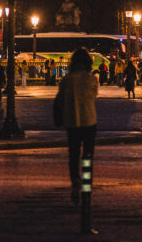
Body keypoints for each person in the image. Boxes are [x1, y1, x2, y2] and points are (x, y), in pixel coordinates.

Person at [58, 47, 98, 206]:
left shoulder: (67, 80)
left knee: (73, 155)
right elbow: (94, 95)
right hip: (89, 121)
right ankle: (87, 184)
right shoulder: (92, 79)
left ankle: (75, 182)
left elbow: (60, 100)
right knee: (87, 155)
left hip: (72, 121)